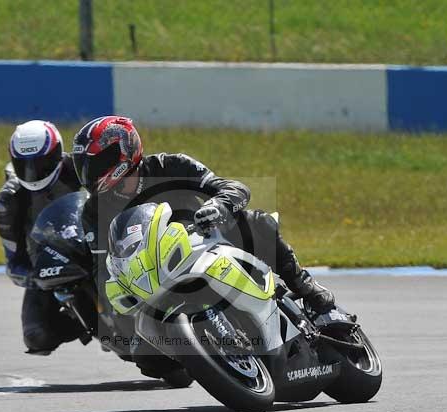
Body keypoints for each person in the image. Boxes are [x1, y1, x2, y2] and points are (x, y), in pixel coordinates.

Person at [72, 115, 335, 334]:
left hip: (207, 243)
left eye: (98, 163)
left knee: (256, 222)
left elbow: (232, 187)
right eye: (85, 165)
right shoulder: (93, 210)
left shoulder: (171, 165)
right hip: (153, 277)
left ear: (124, 151)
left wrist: (218, 205)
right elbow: (102, 268)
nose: (90, 173)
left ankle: (305, 286)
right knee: (137, 349)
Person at [0, 120, 83, 354]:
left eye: (41, 163)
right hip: (49, 267)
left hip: (96, 251)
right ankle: (86, 323)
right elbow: (14, 264)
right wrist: (39, 278)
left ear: (57, 153)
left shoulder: (83, 170)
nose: (33, 171)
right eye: (25, 165)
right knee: (37, 337)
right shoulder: (9, 201)